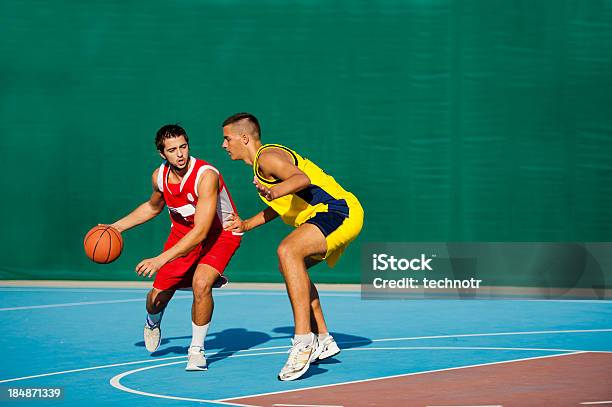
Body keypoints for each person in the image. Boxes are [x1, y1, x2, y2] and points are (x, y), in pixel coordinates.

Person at [221, 113, 364, 381]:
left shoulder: (267, 157)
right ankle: (323, 337)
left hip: (337, 210)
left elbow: (300, 180)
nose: (224, 145)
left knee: (288, 251)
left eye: (227, 139)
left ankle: (302, 341)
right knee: (289, 265)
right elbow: (282, 204)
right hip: (325, 213)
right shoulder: (262, 167)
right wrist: (247, 224)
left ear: (244, 137)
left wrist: (273, 191)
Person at [107, 124, 241, 371]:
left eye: (183, 147)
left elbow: (201, 231)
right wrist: (116, 227)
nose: (180, 154)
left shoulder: (206, 176)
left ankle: (197, 350)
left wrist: (159, 259)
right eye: (172, 150)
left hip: (220, 235)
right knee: (156, 300)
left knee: (202, 283)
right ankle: (152, 321)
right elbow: (152, 207)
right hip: (181, 234)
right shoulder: (159, 177)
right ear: (162, 154)